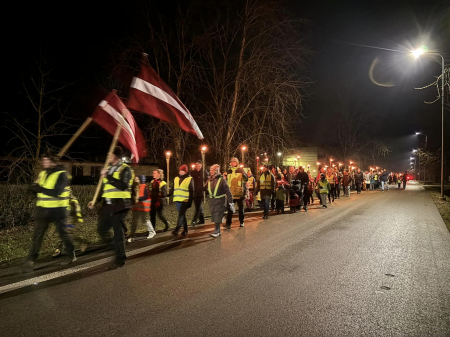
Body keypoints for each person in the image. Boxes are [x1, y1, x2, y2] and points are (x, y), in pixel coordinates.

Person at [23, 153, 76, 272]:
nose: (44, 163)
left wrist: (38, 188)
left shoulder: (62, 174)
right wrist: (32, 188)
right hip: (43, 210)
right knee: (38, 235)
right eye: (43, 161)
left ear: (53, 161)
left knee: (63, 234)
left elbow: (56, 192)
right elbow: (37, 190)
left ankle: (70, 254)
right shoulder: (43, 174)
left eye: (46, 160)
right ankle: (31, 260)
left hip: (59, 210)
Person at [88, 146, 134, 270]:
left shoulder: (126, 169)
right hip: (107, 205)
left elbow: (123, 185)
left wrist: (107, 176)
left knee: (117, 232)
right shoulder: (107, 169)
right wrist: (95, 200)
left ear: (116, 156)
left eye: (110, 154)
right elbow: (103, 188)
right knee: (101, 229)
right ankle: (115, 245)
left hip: (120, 204)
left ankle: (120, 259)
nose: (108, 156)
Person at [205, 164, 234, 238]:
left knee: (217, 214)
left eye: (213, 170)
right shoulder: (209, 179)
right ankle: (218, 230)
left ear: (216, 171)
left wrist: (231, 203)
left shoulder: (222, 180)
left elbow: (228, 191)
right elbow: (205, 188)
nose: (211, 171)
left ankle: (217, 230)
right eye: (210, 170)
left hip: (220, 201)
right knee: (214, 215)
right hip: (212, 201)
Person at [128, 175, 156, 243]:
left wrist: (137, 199)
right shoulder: (134, 187)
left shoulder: (144, 186)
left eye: (137, 179)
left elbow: (145, 197)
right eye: (135, 179)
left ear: (141, 179)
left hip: (143, 207)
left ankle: (152, 232)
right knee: (134, 222)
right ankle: (132, 236)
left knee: (145, 220)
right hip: (136, 206)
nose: (136, 179)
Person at [172, 165, 194, 237]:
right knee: (182, 215)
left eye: (183, 171)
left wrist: (190, 201)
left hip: (185, 200)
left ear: (185, 172)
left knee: (181, 214)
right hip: (177, 200)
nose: (181, 172)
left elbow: (192, 191)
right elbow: (173, 188)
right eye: (180, 170)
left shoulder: (190, 179)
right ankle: (185, 230)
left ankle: (177, 229)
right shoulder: (176, 178)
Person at [225, 157, 247, 229]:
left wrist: (244, 176)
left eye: (234, 161)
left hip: (239, 193)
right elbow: (227, 183)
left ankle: (242, 221)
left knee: (241, 208)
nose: (232, 162)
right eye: (231, 161)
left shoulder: (241, 170)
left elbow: (245, 179)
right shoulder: (229, 171)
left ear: (237, 163)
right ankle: (228, 223)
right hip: (231, 194)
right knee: (230, 209)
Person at [190, 160, 208, 227]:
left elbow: (207, 181)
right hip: (195, 192)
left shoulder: (204, 172)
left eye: (199, 166)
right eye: (196, 165)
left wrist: (205, 189)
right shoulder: (192, 172)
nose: (197, 167)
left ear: (201, 166)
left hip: (201, 192)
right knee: (198, 206)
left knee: (198, 207)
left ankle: (194, 220)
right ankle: (202, 220)